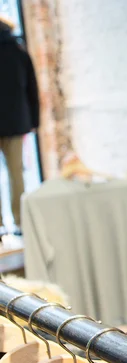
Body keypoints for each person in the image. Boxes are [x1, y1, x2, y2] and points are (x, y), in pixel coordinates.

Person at [0, 16, 39, 236]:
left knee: (15, 173)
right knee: (16, 173)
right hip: (16, 120)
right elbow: (32, 89)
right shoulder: (18, 51)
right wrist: (34, 120)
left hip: (15, 120)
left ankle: (2, 225)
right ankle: (19, 221)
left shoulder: (19, 51)